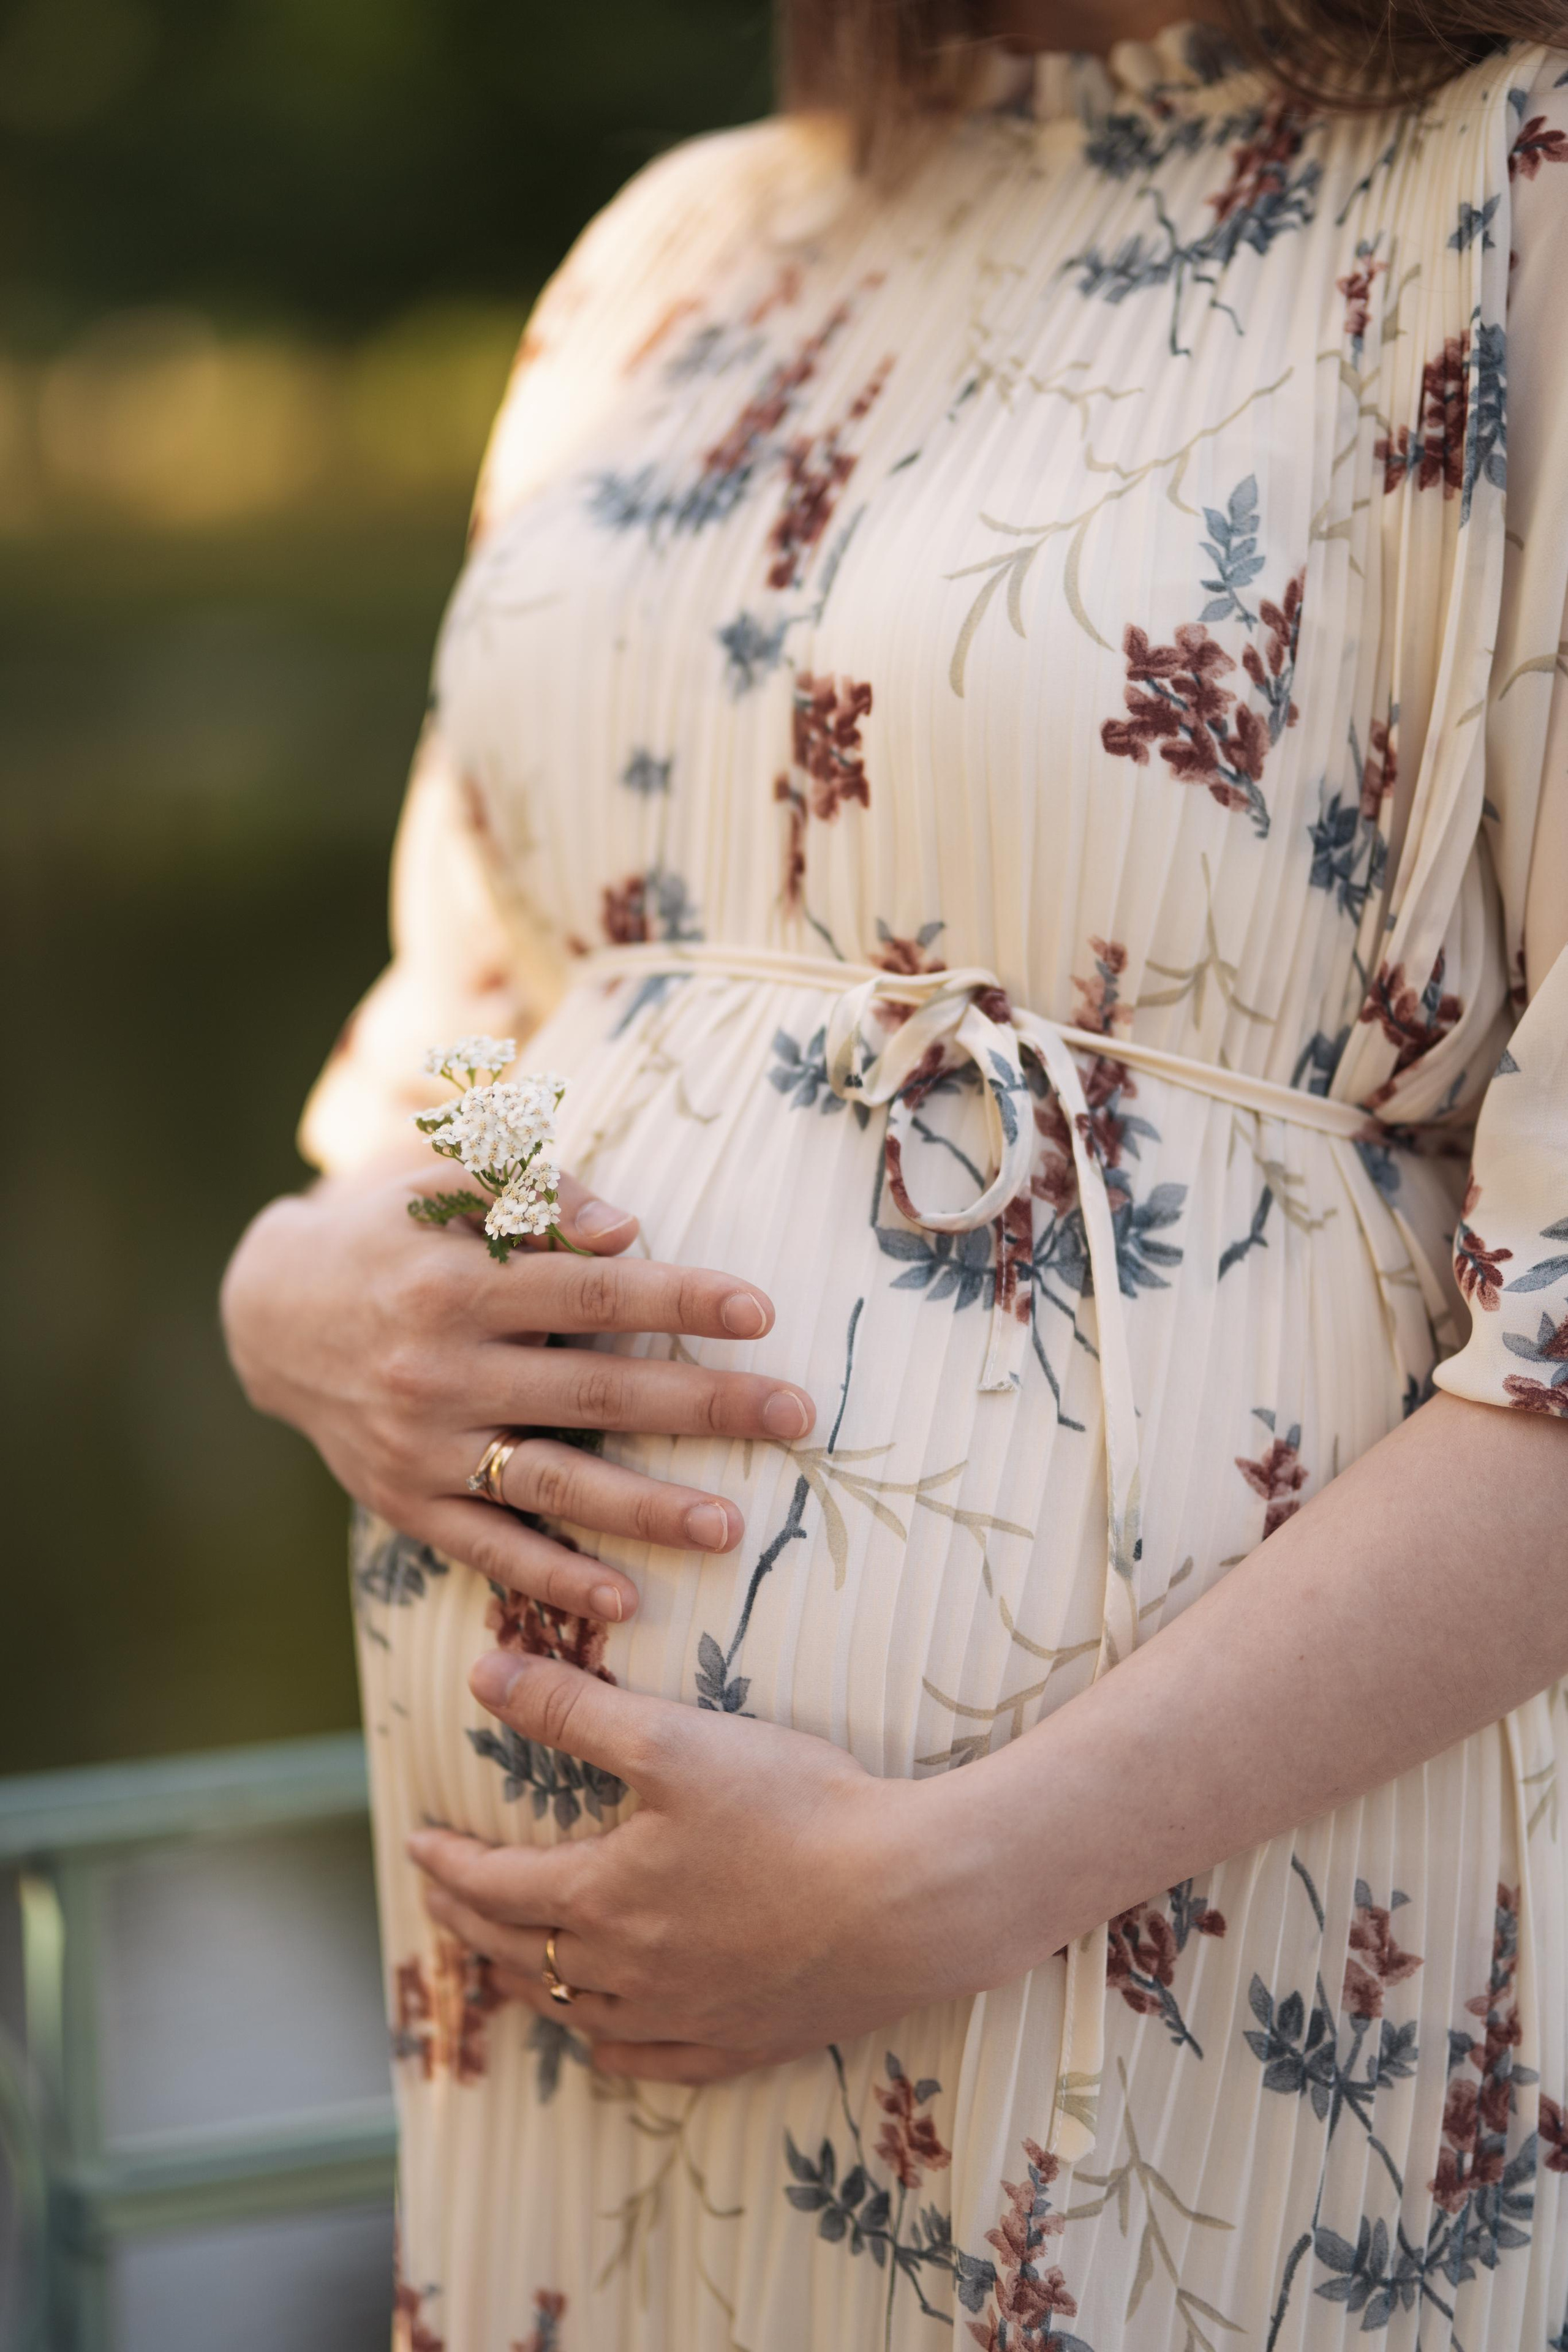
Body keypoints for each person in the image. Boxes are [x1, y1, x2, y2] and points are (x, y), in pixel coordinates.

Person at [221, 0, 1568, 2342]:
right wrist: (309, 1279)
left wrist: (947, 1880)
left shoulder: (1514, 196)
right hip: (566, 2026)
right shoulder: (678, 254)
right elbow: (487, 1012)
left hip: (1159, 1943)